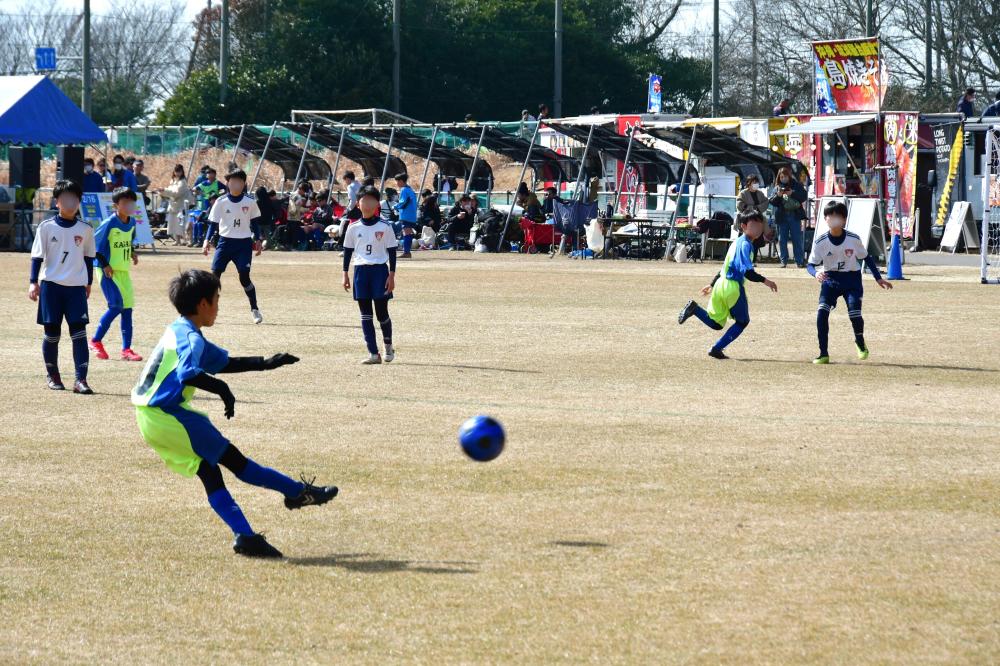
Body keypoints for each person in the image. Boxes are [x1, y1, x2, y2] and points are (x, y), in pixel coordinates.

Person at [131, 269, 338, 558]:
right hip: (169, 416)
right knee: (236, 463)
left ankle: (247, 535)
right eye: (216, 300)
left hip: (151, 419)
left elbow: (223, 362)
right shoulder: (191, 338)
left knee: (209, 471)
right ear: (203, 304)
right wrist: (222, 389)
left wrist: (265, 363)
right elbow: (188, 373)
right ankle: (296, 493)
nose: (218, 306)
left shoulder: (179, 329)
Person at [677, 211, 778, 360]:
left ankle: (695, 309)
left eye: (760, 225)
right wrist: (766, 281)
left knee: (716, 323)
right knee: (743, 321)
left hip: (720, 285)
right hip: (732, 288)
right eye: (754, 225)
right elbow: (748, 273)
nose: (758, 228)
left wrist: (712, 284)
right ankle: (716, 349)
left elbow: (725, 266)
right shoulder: (745, 245)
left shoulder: (736, 243)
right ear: (743, 226)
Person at [28, 179, 97, 394]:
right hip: (51, 287)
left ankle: (81, 380)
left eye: (74, 199)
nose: (70, 203)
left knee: (79, 333)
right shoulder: (46, 227)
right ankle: (53, 375)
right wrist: (33, 282)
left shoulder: (85, 229)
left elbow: (88, 257)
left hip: (76, 288)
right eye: (65, 198)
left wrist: (88, 283)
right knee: (52, 335)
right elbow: (37, 256)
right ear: (57, 202)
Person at [807, 201, 893, 363]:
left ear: (844, 219)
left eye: (837, 216)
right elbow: (810, 264)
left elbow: (866, 257)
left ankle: (860, 341)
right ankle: (823, 353)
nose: (833, 219)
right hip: (830, 280)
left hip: (851, 279)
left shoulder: (853, 239)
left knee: (854, 313)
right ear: (825, 219)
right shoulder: (820, 241)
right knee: (821, 313)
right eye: (830, 216)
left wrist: (878, 277)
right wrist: (815, 273)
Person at [342, 186, 398, 364]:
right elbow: (348, 251)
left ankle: (388, 345)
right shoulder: (353, 227)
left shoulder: (385, 226)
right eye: (363, 199)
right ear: (357, 204)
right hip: (360, 272)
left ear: (377, 204)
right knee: (365, 314)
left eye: (371, 199)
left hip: (379, 271)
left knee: (382, 313)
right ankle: (373, 353)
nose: (367, 203)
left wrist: (392, 275)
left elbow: (392, 252)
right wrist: (345, 274)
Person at [203, 169, 264, 324]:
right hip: (224, 243)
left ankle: (254, 308)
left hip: (243, 244)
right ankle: (208, 309)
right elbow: (213, 224)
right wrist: (206, 241)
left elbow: (255, 223)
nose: (236, 184)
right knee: (214, 277)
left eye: (239, 181)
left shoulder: (250, 202)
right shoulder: (221, 201)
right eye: (232, 181)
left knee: (244, 277)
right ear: (228, 183)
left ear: (244, 184)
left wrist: (258, 239)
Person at [89, 187, 143, 362]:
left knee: (127, 310)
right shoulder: (110, 223)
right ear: (116, 205)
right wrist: (104, 264)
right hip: (107, 271)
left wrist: (132, 252)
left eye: (131, 202)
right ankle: (95, 341)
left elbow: (128, 241)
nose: (129, 205)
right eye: (125, 202)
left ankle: (126, 350)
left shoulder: (132, 222)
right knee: (116, 306)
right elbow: (93, 245)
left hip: (123, 271)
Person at [769, 166, 807, 267]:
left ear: (789, 176)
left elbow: (804, 196)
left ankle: (799, 261)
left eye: (785, 176)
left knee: (796, 239)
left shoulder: (796, 185)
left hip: (795, 215)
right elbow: (772, 201)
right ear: (779, 177)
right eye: (781, 177)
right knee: (782, 240)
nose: (783, 179)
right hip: (782, 217)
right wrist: (778, 195)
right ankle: (783, 261)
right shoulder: (777, 187)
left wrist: (792, 193)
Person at [160, 164, 191, 245]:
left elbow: (177, 193)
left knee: (181, 224)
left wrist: (164, 191)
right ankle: (177, 240)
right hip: (173, 205)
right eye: (176, 171)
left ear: (182, 172)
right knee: (173, 223)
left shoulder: (183, 182)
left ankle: (185, 240)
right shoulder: (172, 181)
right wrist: (162, 192)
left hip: (181, 206)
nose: (177, 173)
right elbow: (170, 192)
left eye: (179, 171)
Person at [192, 167, 225, 246]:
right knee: (199, 221)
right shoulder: (204, 183)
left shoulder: (217, 183)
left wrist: (220, 195)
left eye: (211, 173)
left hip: (215, 202)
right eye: (208, 173)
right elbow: (194, 189)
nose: (210, 175)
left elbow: (226, 189)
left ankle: (207, 240)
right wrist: (200, 193)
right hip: (206, 202)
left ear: (215, 174)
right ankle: (196, 240)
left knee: (212, 220)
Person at [393, 173, 418, 258]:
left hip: (406, 215)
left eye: (397, 181)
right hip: (412, 215)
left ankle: (406, 252)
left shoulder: (404, 190)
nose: (397, 183)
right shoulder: (410, 189)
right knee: (409, 232)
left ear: (401, 181)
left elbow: (402, 203)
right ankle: (407, 252)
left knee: (406, 232)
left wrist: (395, 206)